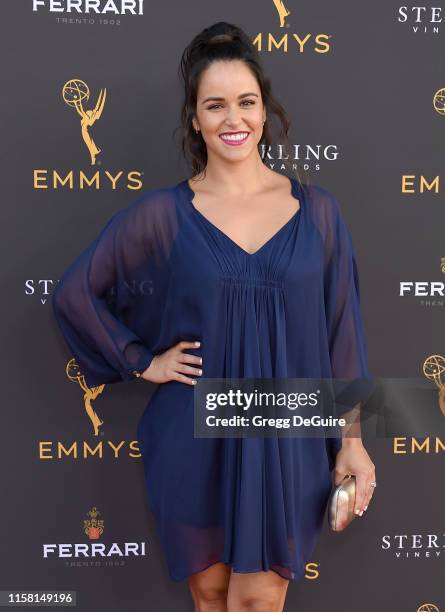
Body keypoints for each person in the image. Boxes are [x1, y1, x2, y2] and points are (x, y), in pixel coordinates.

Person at [52, 21, 376, 612]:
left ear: (265, 110)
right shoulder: (164, 216)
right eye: (216, 104)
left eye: (247, 102)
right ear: (195, 119)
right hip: (194, 433)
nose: (234, 118)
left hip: (285, 433)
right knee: (212, 598)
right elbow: (77, 292)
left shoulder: (318, 213)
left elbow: (341, 333)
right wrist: (143, 361)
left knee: (259, 601)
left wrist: (351, 443)